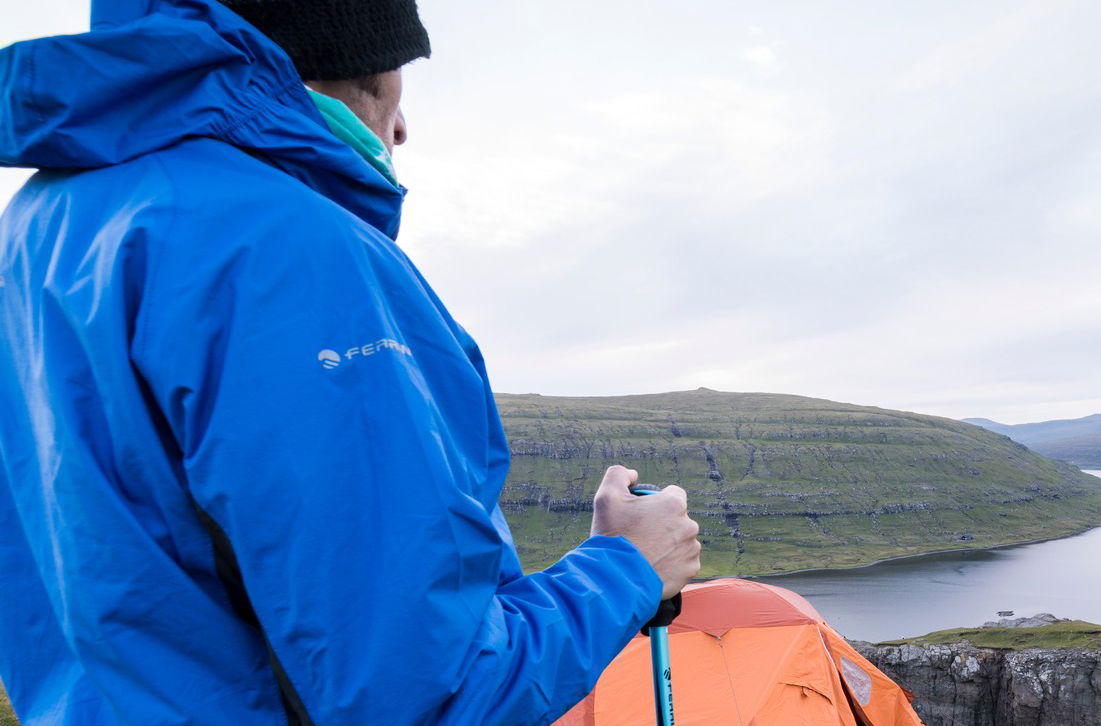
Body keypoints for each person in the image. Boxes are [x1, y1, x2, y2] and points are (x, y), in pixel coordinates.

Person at [0, 0, 701, 723]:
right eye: (392, 74)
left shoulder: (41, 234)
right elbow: (426, 695)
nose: (401, 125)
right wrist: (627, 568)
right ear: (335, 54)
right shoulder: (280, 246)